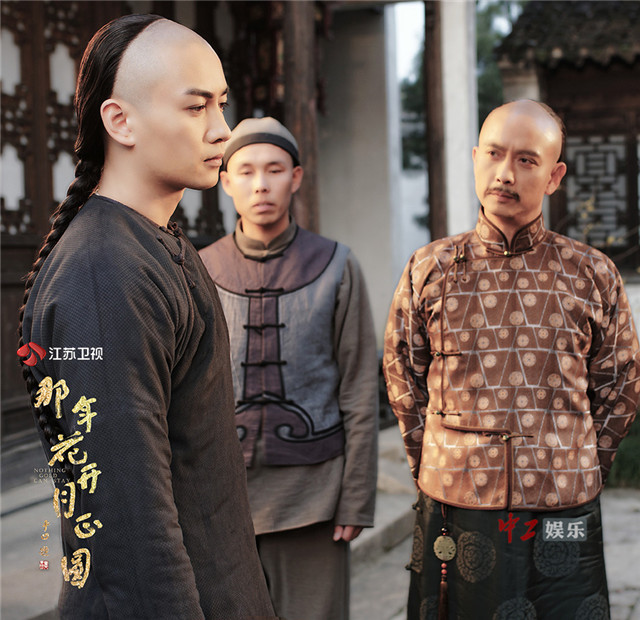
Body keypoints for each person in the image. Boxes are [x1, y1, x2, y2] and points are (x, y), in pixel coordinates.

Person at [18, 15, 276, 619]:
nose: (222, 129)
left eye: (221, 104)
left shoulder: (156, 243)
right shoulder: (103, 274)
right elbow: (128, 525)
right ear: (120, 121)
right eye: (195, 107)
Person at [383, 99, 640, 619]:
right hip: (456, 498)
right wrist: (435, 459)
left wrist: (580, 460)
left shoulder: (592, 273)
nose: (505, 173)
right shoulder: (429, 268)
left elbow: (621, 384)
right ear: (475, 158)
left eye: (526, 160)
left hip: (564, 502)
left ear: (554, 176)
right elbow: (402, 375)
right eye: (494, 154)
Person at [199, 116, 379, 620]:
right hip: (220, 502)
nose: (261, 184)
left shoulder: (337, 265)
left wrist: (356, 498)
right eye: (246, 171)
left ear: (296, 177)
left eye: (275, 169)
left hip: (314, 499)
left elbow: (359, 387)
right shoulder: (198, 270)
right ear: (226, 181)